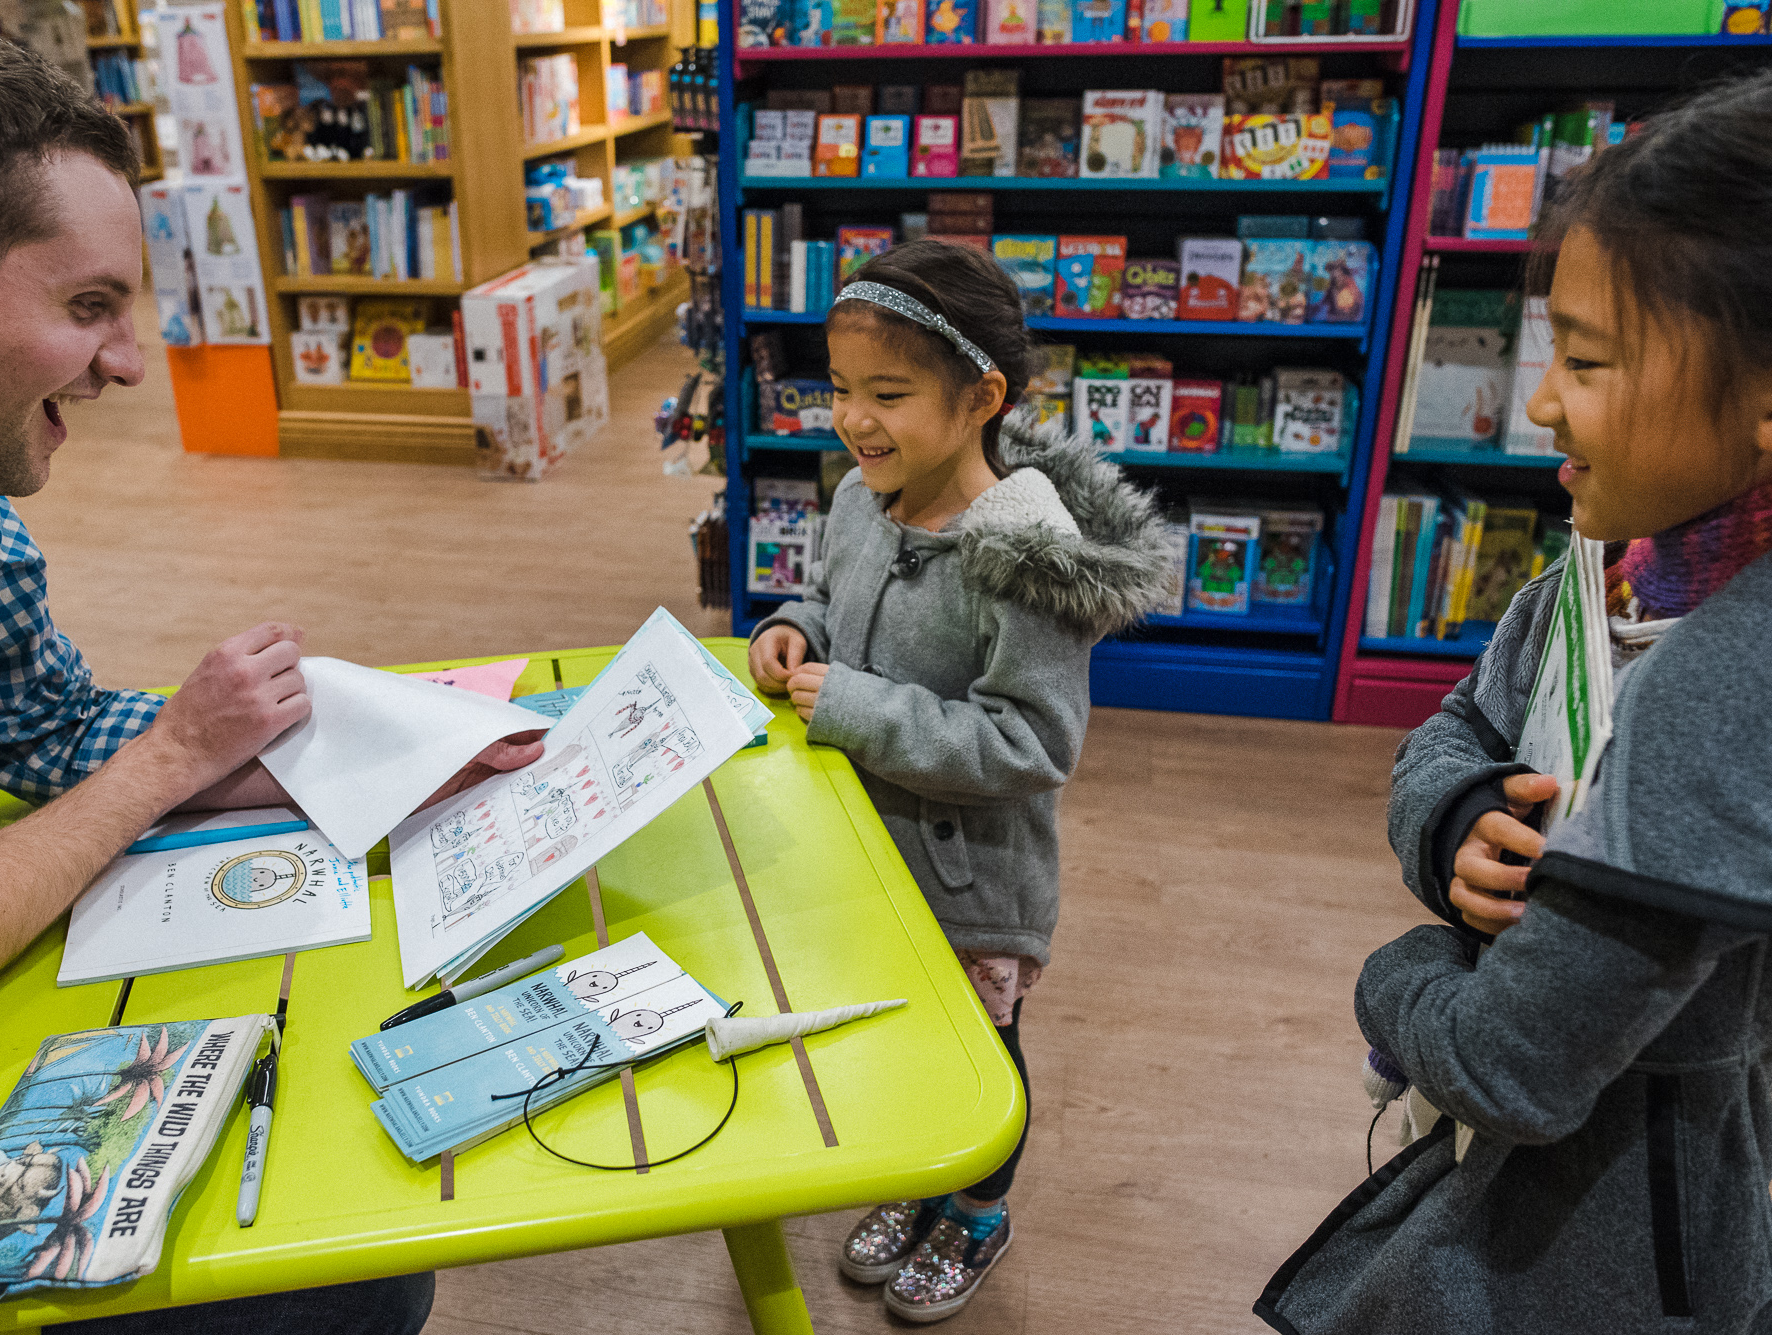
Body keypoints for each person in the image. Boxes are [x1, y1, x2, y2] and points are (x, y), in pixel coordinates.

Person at [0, 23, 535, 1333]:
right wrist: (176, 758)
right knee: (337, 1280)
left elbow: (48, 724)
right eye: (86, 308)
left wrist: (384, 749)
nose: (129, 364)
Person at [1256, 71, 1772, 1334]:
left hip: (1608, 1233)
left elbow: (1507, 1063)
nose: (1540, 402)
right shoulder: (1605, 568)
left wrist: (1392, 977)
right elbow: (1455, 725)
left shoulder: (1728, 682)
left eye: (1588, 363)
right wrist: (1456, 817)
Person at [746, 239, 1172, 1323]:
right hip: (860, 851)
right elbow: (827, 600)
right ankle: (920, 1178)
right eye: (840, 389)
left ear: (979, 397)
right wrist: (794, 628)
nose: (853, 419)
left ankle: (976, 1203)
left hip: (971, 880)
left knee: (981, 1058)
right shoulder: (858, 497)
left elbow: (1030, 745)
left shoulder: (1020, 555)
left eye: (887, 394)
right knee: (890, 1035)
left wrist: (850, 707)